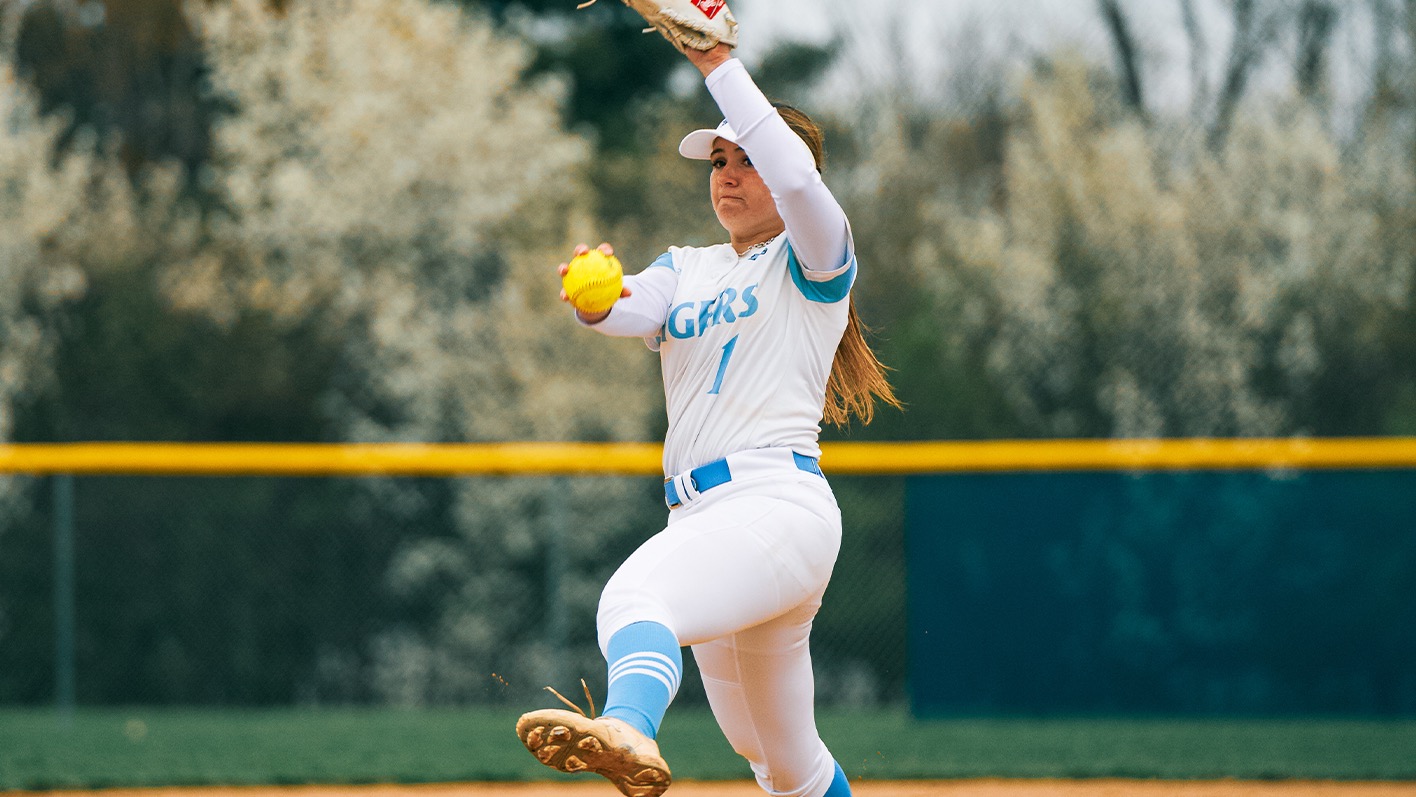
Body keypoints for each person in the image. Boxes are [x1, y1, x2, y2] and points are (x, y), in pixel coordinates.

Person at [514, 37, 899, 797]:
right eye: (718, 162)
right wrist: (596, 299)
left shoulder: (815, 254)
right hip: (705, 521)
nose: (727, 174)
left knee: (632, 598)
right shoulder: (687, 267)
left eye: (744, 158)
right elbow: (628, 307)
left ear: (792, 175)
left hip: (775, 506)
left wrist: (717, 63)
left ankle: (628, 723)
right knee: (780, 761)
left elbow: (794, 173)